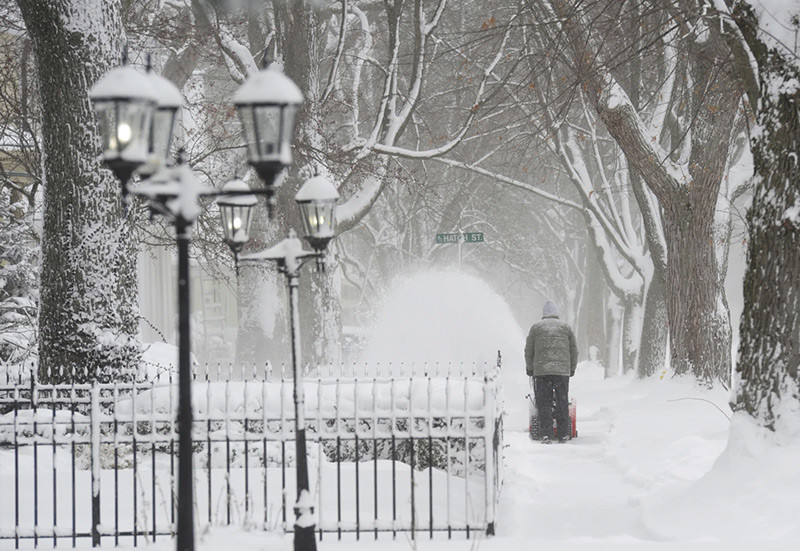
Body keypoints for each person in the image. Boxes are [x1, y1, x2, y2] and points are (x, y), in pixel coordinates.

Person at [524, 299, 578, 443]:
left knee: (544, 403)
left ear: (544, 314)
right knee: (562, 401)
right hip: (561, 372)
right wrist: (571, 368)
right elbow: (574, 351)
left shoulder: (536, 328)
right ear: (556, 314)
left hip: (542, 372)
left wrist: (530, 368)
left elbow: (529, 350)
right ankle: (562, 434)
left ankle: (547, 434)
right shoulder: (566, 328)